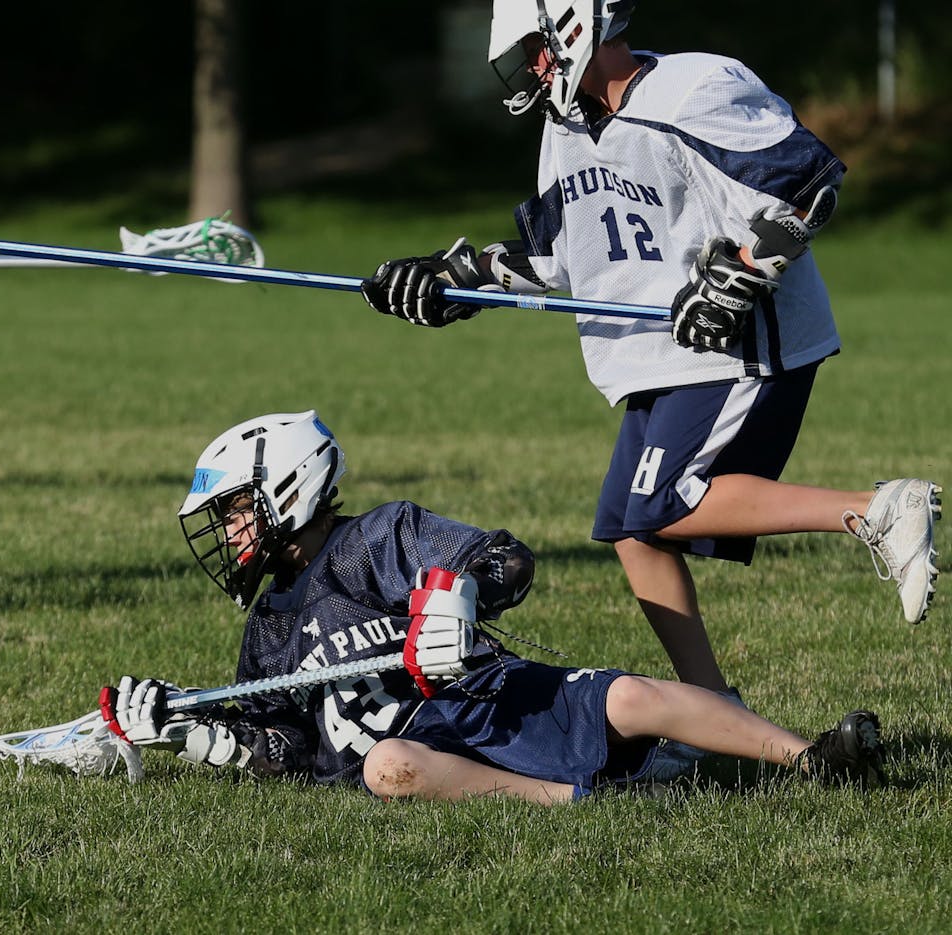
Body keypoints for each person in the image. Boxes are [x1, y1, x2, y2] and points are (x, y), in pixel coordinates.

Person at [358, 1, 940, 713]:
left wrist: (745, 271)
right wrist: (453, 280)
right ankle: (714, 709)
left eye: (537, 50)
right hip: (658, 357)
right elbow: (553, 257)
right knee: (632, 529)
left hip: (736, 348)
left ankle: (878, 507)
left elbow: (808, 182)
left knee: (659, 504)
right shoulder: (564, 127)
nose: (535, 71)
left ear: (573, 26)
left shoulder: (693, 89)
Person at [97, 411, 886, 805]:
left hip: (491, 699)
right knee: (384, 767)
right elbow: (289, 746)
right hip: (420, 756)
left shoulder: (380, 537)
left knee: (634, 696)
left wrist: (456, 597)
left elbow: (503, 557)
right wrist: (196, 734)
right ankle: (572, 800)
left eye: (239, 511)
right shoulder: (268, 627)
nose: (231, 532)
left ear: (288, 488)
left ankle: (809, 758)